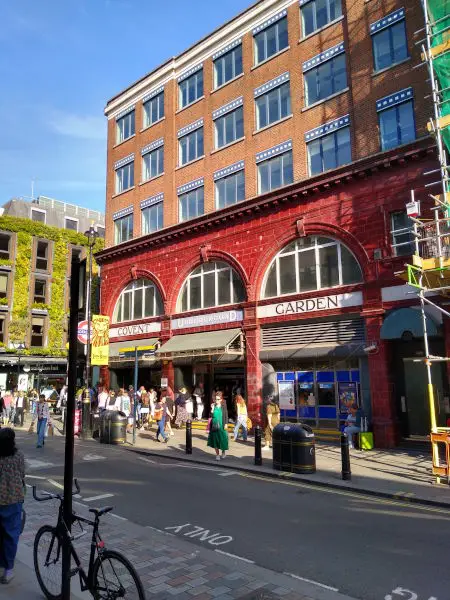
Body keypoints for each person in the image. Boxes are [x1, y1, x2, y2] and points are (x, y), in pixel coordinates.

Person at [0, 428, 25, 584]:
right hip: (15, 500)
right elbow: (22, 475)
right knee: (11, 535)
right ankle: (8, 570)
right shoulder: (19, 456)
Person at [207, 394, 229, 461]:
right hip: (214, 426)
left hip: (222, 426)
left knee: (223, 440)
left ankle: (223, 452)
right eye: (216, 399)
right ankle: (217, 455)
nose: (216, 400)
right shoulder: (213, 406)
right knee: (215, 440)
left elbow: (226, 415)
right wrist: (212, 409)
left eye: (218, 399)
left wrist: (226, 423)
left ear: (221, 400)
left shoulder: (223, 406)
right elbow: (210, 416)